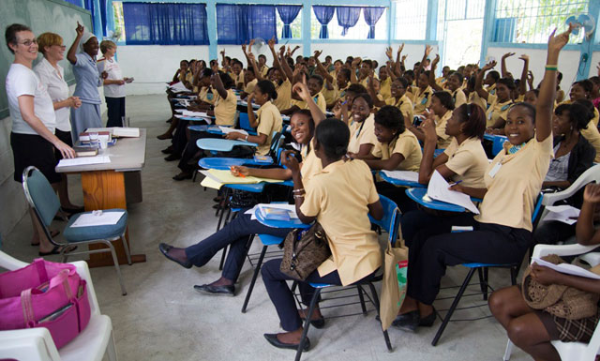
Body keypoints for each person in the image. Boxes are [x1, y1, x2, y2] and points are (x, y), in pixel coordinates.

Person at [393, 25, 568, 333]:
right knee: (421, 233)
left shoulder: (538, 151)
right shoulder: (506, 152)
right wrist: (462, 189)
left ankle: (424, 308)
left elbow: (543, 104)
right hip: (482, 220)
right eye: (510, 120)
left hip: (508, 236)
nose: (513, 126)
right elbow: (490, 187)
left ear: (536, 126)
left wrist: (552, 56)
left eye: (521, 122)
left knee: (436, 247)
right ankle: (411, 294)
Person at [158, 108, 322, 295]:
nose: (295, 129)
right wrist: (250, 171)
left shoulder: (319, 153)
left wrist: (307, 96)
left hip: (309, 225)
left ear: (314, 126)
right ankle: (225, 278)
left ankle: (194, 255)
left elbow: (294, 175)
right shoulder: (308, 151)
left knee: (244, 220)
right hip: (300, 212)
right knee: (244, 216)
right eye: (292, 126)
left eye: (301, 124)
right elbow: (286, 172)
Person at [261, 118, 383, 350]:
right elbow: (377, 212)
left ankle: (295, 333)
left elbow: (304, 216)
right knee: (309, 248)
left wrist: (296, 175)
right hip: (371, 255)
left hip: (349, 264)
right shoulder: (361, 167)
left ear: (316, 148)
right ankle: (311, 309)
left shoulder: (320, 182)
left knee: (270, 270)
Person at [489, 182, 600, 361]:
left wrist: (560, 277)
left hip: (595, 310)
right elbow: (585, 238)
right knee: (499, 302)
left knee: (520, 330)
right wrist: (589, 202)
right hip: (587, 290)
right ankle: (542, 346)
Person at [5, 24, 76, 255]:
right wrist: (56, 141)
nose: (32, 45)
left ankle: (40, 234)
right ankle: (46, 244)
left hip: (33, 138)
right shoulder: (23, 75)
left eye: (33, 40)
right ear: (12, 46)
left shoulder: (24, 72)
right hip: (32, 140)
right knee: (38, 192)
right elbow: (28, 115)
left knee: (38, 192)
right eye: (25, 42)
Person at [533, 102, 596, 247]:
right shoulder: (555, 141)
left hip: (560, 195)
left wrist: (542, 183)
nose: (555, 121)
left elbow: (573, 182)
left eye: (560, 118)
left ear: (573, 123)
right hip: (539, 184)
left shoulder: (586, 149)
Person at [34, 31, 83, 214]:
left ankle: (65, 202)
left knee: (64, 169)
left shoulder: (59, 69)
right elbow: (40, 105)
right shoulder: (40, 71)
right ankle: (50, 210)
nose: (63, 49)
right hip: (50, 128)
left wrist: (72, 100)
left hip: (63, 124)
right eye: (59, 45)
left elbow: (59, 98)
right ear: (46, 48)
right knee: (53, 173)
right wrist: (66, 103)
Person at [66, 22, 106, 141]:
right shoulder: (82, 57)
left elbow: (97, 83)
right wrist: (78, 36)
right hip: (84, 101)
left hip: (93, 99)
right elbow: (70, 57)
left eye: (97, 43)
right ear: (84, 46)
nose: (96, 46)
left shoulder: (92, 61)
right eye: (92, 43)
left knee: (95, 131)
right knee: (86, 134)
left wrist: (102, 76)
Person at [224, 80, 283, 156]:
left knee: (229, 153)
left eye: (255, 93)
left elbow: (261, 140)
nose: (253, 95)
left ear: (265, 95)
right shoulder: (269, 108)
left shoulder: (267, 112)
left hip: (262, 154)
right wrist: (249, 102)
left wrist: (239, 135)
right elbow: (253, 124)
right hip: (263, 151)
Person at [97, 40, 132, 127]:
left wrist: (124, 79)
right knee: (114, 117)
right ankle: (111, 135)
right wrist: (115, 82)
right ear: (108, 49)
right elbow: (100, 81)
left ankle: (120, 134)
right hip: (112, 94)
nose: (115, 50)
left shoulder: (113, 60)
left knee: (121, 117)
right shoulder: (101, 61)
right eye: (114, 48)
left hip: (120, 93)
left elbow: (115, 76)